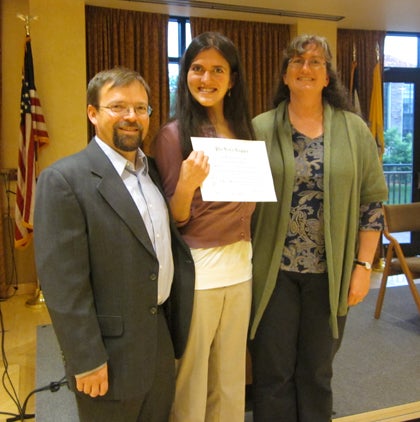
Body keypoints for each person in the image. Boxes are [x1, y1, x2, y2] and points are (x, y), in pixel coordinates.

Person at [33, 67, 195, 422]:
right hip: (107, 354)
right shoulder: (63, 180)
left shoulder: (151, 170)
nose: (131, 117)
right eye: (118, 107)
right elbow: (64, 286)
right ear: (92, 113)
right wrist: (86, 359)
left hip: (157, 339)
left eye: (140, 108)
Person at [249, 34, 388, 422]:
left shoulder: (354, 130)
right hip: (272, 274)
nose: (305, 68)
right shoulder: (259, 128)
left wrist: (363, 267)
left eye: (315, 62)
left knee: (317, 371)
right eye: (296, 61)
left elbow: (371, 203)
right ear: (285, 73)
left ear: (328, 77)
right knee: (272, 371)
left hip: (331, 272)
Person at [153, 32, 255, 422]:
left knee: (231, 376)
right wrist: (186, 183)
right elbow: (176, 218)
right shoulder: (173, 134)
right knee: (192, 378)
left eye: (217, 69)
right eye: (197, 68)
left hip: (241, 269)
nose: (206, 78)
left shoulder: (244, 131)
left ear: (232, 79)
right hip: (200, 274)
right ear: (186, 74)